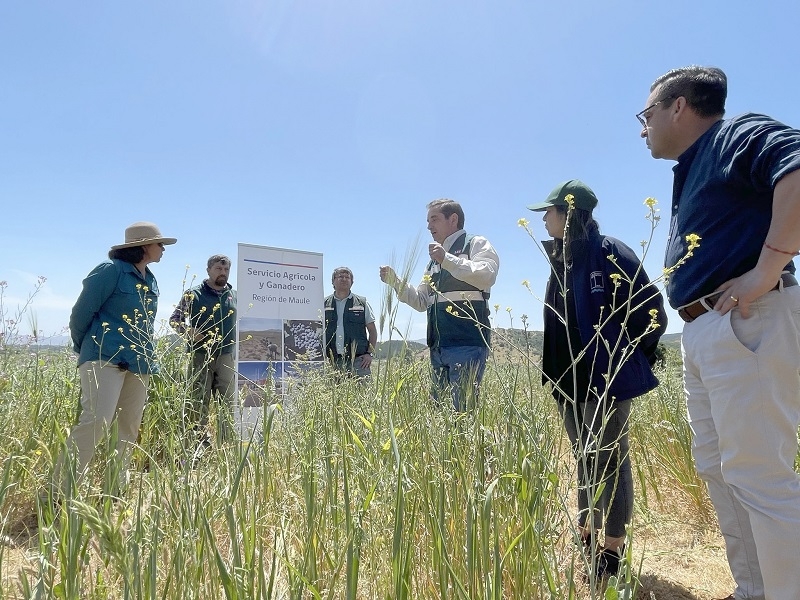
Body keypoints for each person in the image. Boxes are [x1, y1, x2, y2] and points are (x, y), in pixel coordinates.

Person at [639, 65, 800, 600]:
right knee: (719, 470)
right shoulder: (693, 165)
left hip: (744, 321)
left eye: (647, 114)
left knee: (758, 477)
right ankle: (755, 590)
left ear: (679, 106)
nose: (643, 128)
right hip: (706, 328)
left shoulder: (735, 134)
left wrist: (768, 267)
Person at [528, 180, 666, 579]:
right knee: (585, 459)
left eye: (548, 211)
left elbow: (650, 312)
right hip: (566, 380)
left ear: (569, 212)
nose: (543, 218)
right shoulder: (562, 257)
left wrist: (625, 359)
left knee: (612, 461)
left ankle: (613, 549)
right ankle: (587, 533)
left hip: (602, 378)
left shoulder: (610, 252)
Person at [58, 221, 176, 496]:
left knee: (128, 427)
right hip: (104, 357)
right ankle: (59, 492)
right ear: (144, 246)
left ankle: (115, 490)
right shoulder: (110, 271)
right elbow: (81, 313)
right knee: (96, 423)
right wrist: (86, 348)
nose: (163, 249)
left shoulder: (150, 279)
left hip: (139, 362)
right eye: (160, 244)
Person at [380, 198, 499, 411]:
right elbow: (421, 300)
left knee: (462, 412)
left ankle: (465, 446)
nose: (428, 226)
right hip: (438, 347)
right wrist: (396, 282)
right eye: (427, 221)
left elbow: (487, 275)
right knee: (440, 413)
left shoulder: (475, 244)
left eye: (434, 219)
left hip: (466, 343)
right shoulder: (434, 260)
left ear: (453, 219)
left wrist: (448, 260)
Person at [170, 254, 237, 447]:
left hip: (226, 356)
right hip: (200, 356)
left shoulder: (234, 296)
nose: (222, 272)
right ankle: (198, 448)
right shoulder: (194, 294)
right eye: (218, 269)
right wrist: (188, 331)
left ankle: (226, 447)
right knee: (198, 404)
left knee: (227, 405)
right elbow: (175, 320)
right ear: (208, 270)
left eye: (226, 270)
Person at [323, 267, 378, 378]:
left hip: (359, 361)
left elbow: (372, 331)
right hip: (331, 361)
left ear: (352, 282)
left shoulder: (362, 303)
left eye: (347, 277)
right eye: (340, 276)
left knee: (363, 394)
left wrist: (369, 354)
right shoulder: (324, 304)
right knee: (333, 395)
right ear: (333, 281)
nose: (344, 279)